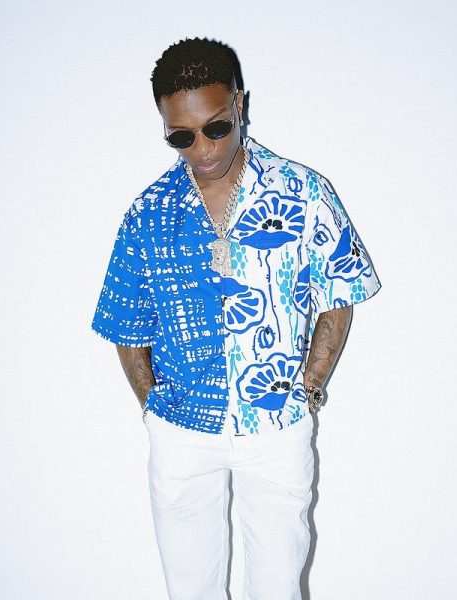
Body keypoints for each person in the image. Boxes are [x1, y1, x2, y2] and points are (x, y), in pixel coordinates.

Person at [91, 37, 381, 600]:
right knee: (189, 591)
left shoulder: (303, 193)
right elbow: (127, 324)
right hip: (181, 431)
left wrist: (309, 388)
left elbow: (338, 292)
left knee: (277, 588)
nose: (202, 149)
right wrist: (154, 411)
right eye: (181, 136)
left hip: (276, 427)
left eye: (216, 127)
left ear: (239, 104)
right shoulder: (148, 213)